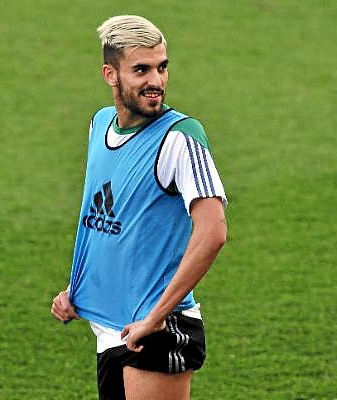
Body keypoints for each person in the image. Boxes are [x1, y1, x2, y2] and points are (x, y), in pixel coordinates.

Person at [50, 15, 227, 400]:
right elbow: (107, 220)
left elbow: (213, 232)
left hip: (157, 328)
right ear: (110, 74)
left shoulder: (179, 137)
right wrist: (77, 288)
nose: (156, 81)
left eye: (162, 67)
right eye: (141, 70)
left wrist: (156, 317)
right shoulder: (100, 125)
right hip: (110, 328)